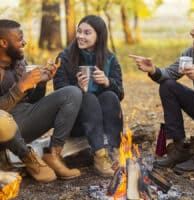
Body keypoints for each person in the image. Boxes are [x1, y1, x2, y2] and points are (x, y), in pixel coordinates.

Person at [0, 19, 83, 182]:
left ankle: (53, 154)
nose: (24, 42)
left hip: (22, 121)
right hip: (3, 131)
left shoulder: (19, 61)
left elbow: (32, 101)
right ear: (2, 42)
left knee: (72, 93)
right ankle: (28, 157)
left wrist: (41, 83)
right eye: (19, 39)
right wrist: (20, 88)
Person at [53, 15, 124, 177]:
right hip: (76, 122)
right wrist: (77, 89)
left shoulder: (110, 58)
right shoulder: (64, 58)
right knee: (89, 98)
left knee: (110, 96)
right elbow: (58, 94)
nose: (80, 36)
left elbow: (119, 94)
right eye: (79, 32)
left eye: (87, 33)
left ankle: (114, 150)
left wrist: (107, 82)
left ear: (99, 36)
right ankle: (100, 157)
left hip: (104, 122)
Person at [129, 15, 194, 173]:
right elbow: (169, 73)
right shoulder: (191, 54)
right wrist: (153, 70)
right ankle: (180, 148)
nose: (192, 32)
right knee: (167, 85)